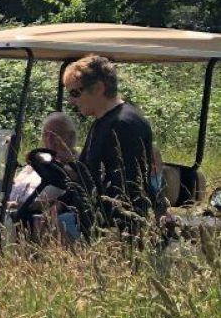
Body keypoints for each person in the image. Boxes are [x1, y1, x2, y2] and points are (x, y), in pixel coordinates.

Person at [61, 55, 156, 235]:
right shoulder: (102, 121)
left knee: (46, 225)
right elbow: (86, 172)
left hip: (111, 226)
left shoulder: (122, 124)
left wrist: (114, 232)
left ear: (98, 88)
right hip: (92, 217)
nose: (72, 101)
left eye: (75, 93)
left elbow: (126, 185)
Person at [11, 112, 90, 243]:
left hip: (40, 214)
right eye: (46, 135)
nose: (49, 139)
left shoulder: (78, 164)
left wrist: (22, 205)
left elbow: (69, 195)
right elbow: (16, 185)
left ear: (71, 137)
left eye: (55, 135)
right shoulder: (40, 160)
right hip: (16, 208)